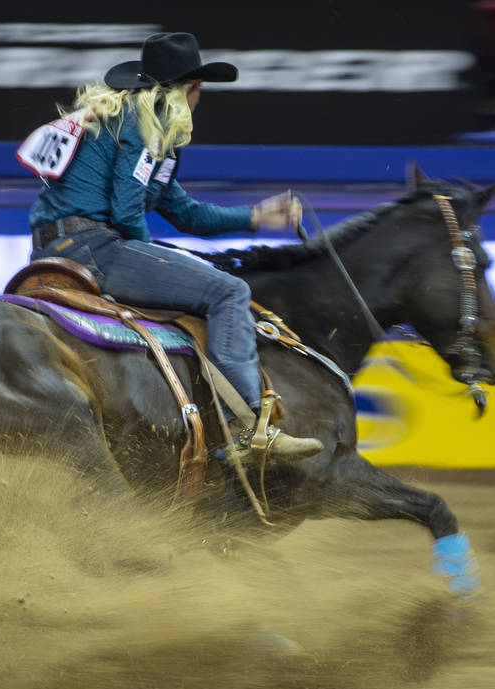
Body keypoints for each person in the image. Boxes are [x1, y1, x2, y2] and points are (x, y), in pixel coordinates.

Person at [25, 32, 323, 464]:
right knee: (229, 292)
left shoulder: (123, 122)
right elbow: (128, 211)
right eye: (198, 89)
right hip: (93, 247)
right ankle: (247, 428)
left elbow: (186, 214)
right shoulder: (144, 126)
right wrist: (151, 258)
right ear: (183, 91)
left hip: (57, 248)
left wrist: (258, 216)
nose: (200, 100)